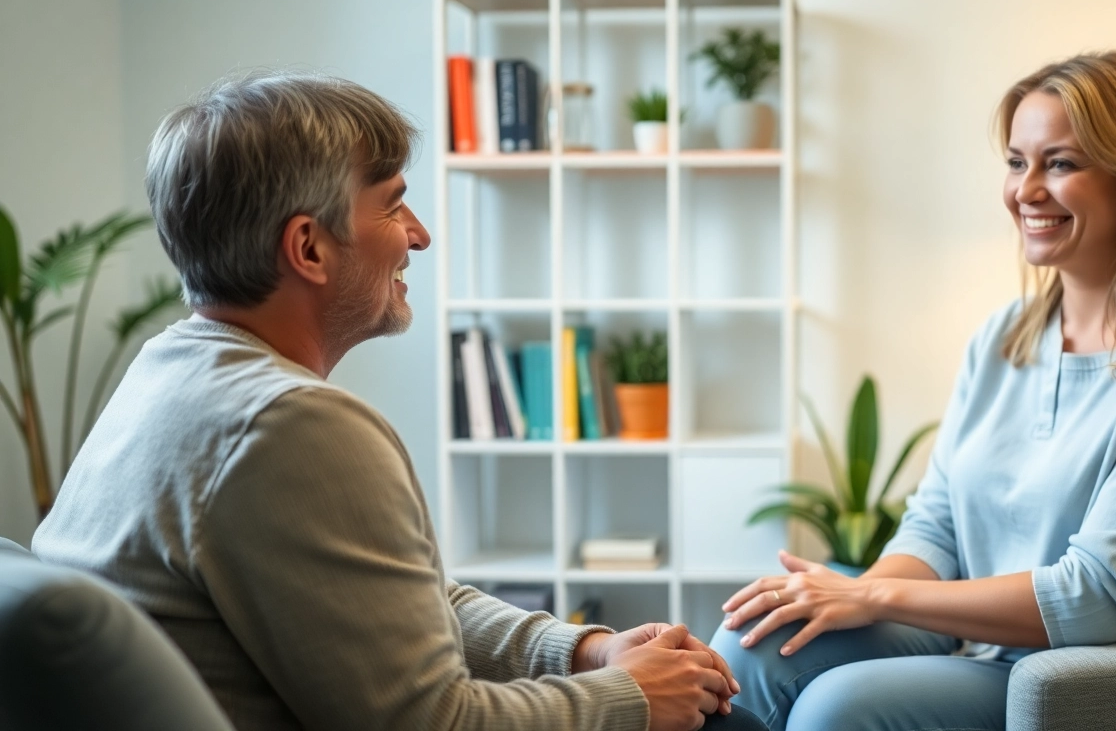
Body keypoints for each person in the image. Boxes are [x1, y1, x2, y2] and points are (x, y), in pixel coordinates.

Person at [32, 71, 766, 731]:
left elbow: (400, 606)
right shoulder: (288, 424)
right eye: (393, 208)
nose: (419, 236)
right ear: (309, 248)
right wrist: (632, 699)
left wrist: (585, 649)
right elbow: (430, 721)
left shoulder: (171, 374)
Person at [708, 51, 1116, 731]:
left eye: (1061, 163)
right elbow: (937, 526)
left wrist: (875, 596)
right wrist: (845, 594)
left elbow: (1093, 598)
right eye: (1017, 162)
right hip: (996, 654)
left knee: (838, 709)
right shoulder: (1005, 336)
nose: (1027, 190)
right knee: (754, 642)